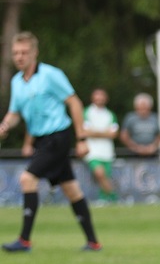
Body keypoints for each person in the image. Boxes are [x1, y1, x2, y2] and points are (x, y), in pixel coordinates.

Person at [0, 31, 102, 252]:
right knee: (72, 190)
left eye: (24, 52)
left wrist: (81, 138)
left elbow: (74, 103)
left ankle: (24, 240)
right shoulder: (17, 82)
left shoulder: (50, 75)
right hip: (42, 140)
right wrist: (5, 125)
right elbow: (15, 113)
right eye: (16, 53)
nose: (19, 57)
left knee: (28, 179)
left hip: (58, 137)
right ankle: (93, 242)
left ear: (34, 53)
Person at [83, 88, 119, 203]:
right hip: (92, 151)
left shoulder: (110, 114)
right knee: (99, 173)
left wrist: (96, 132)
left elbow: (113, 134)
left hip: (107, 151)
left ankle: (104, 198)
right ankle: (114, 197)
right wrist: (104, 133)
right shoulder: (87, 112)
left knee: (105, 176)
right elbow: (86, 132)